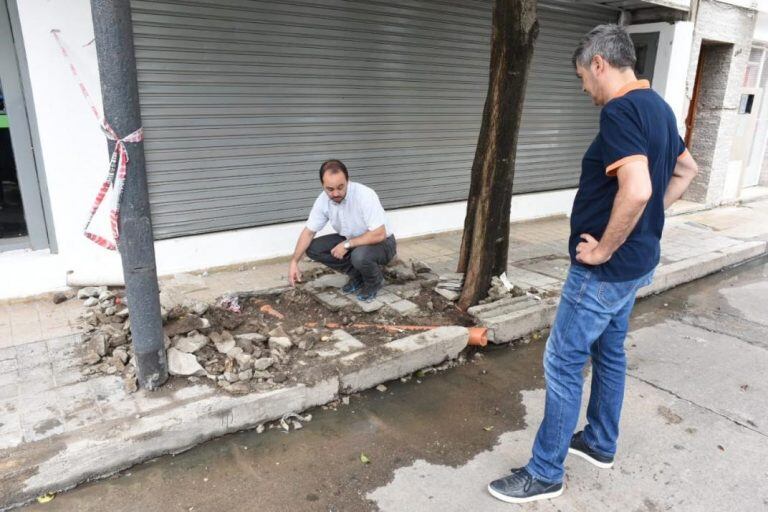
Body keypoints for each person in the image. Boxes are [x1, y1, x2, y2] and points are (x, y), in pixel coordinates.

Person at [487, 24, 699, 504]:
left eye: (584, 77)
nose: (585, 90)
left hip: (605, 271)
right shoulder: (659, 108)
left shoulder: (622, 111)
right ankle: (600, 442)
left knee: (562, 361)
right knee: (610, 352)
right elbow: (687, 171)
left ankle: (545, 473)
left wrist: (603, 248)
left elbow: (639, 189)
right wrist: (643, 224)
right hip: (637, 264)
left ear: (600, 63)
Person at [288, 159, 396, 302]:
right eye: (330, 189)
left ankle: (374, 281)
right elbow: (308, 232)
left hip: (382, 243)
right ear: (323, 185)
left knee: (359, 256)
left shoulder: (365, 195)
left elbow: (379, 233)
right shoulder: (322, 200)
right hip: (352, 240)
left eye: (340, 187)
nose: (336, 193)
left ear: (347, 180)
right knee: (314, 248)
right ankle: (357, 276)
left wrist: (347, 245)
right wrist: (294, 262)